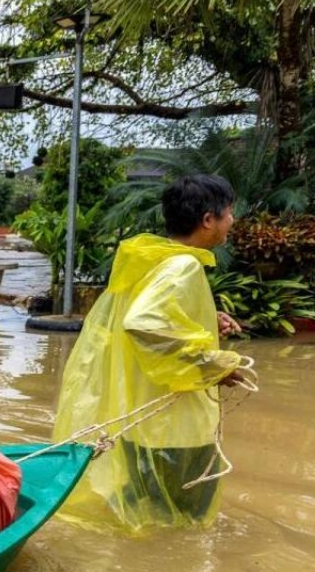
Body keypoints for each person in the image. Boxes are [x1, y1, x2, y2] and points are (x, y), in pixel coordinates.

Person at [52, 174, 247, 533]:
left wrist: (204, 317)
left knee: (147, 518)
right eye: (229, 213)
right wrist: (213, 366)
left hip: (142, 426)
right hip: (177, 430)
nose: (232, 221)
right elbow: (143, 323)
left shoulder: (153, 260)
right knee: (184, 528)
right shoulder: (184, 266)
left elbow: (150, 315)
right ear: (208, 220)